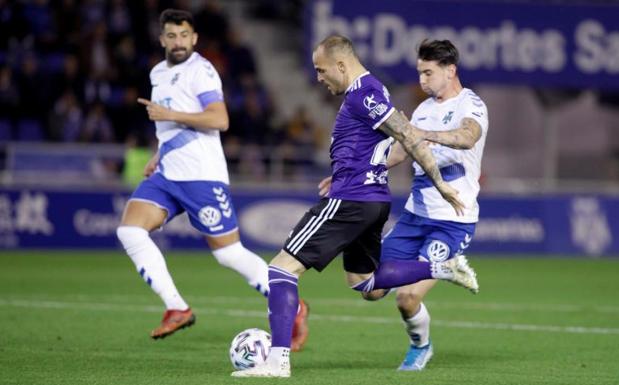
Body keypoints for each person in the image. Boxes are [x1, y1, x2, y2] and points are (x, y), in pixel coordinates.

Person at [232, 35, 477, 378]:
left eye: (321, 70)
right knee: (364, 282)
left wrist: (439, 182)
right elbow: (380, 146)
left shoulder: (365, 93)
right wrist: (346, 172)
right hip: (369, 198)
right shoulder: (366, 93)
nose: (319, 77)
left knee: (280, 270)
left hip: (352, 200)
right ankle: (441, 269)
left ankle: (276, 362)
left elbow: (407, 136)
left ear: (342, 66)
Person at [115, 9, 309, 349]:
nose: (178, 42)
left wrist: (168, 114)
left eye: (184, 35)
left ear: (195, 38)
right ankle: (176, 307)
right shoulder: (158, 72)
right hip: (168, 174)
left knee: (229, 254)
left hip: (201, 176)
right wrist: (160, 154)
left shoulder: (201, 71)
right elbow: (174, 126)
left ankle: (292, 304)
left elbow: (219, 119)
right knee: (129, 230)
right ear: (162, 39)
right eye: (172, 36)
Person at [366, 39, 489, 371]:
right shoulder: (423, 109)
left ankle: (420, 347)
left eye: (428, 72)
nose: (422, 80)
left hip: (452, 222)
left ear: (450, 70)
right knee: (371, 287)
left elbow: (466, 137)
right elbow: (401, 150)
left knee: (407, 297)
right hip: (413, 218)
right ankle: (440, 272)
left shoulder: (471, 105)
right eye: (419, 72)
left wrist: (423, 133)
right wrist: (359, 172)